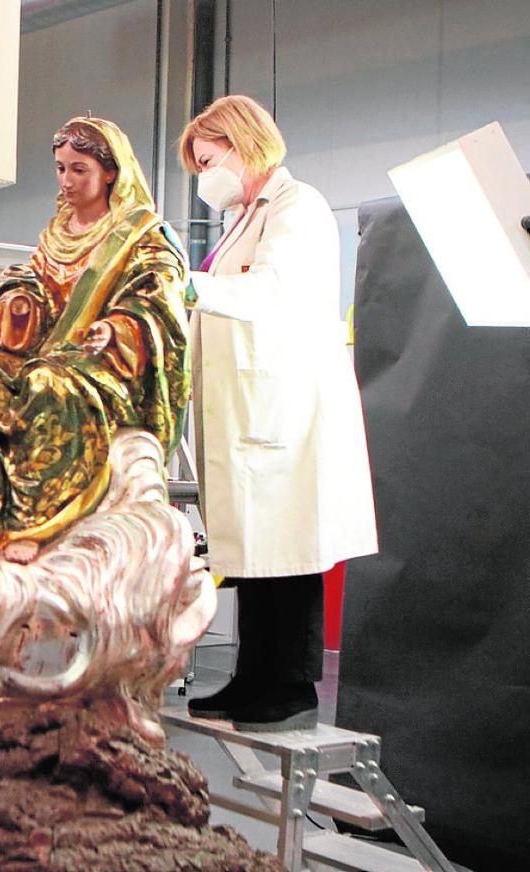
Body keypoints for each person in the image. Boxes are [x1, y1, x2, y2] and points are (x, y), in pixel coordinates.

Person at [179, 94, 377, 732]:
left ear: (244, 145)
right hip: (249, 411)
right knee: (253, 555)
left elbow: (271, 290)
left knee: (288, 554)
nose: (205, 176)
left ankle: (291, 687)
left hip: (286, 412)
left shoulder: (299, 207)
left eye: (208, 160)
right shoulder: (244, 217)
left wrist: (190, 283)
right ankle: (251, 678)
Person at [0, 116, 191, 566]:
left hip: (109, 369)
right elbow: (38, 289)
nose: (66, 181)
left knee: (46, 383)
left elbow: (159, 301)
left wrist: (117, 328)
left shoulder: (142, 234)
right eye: (61, 169)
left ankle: (37, 524)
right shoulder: (58, 232)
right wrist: (19, 302)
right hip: (49, 355)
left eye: (79, 170)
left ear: (111, 172)